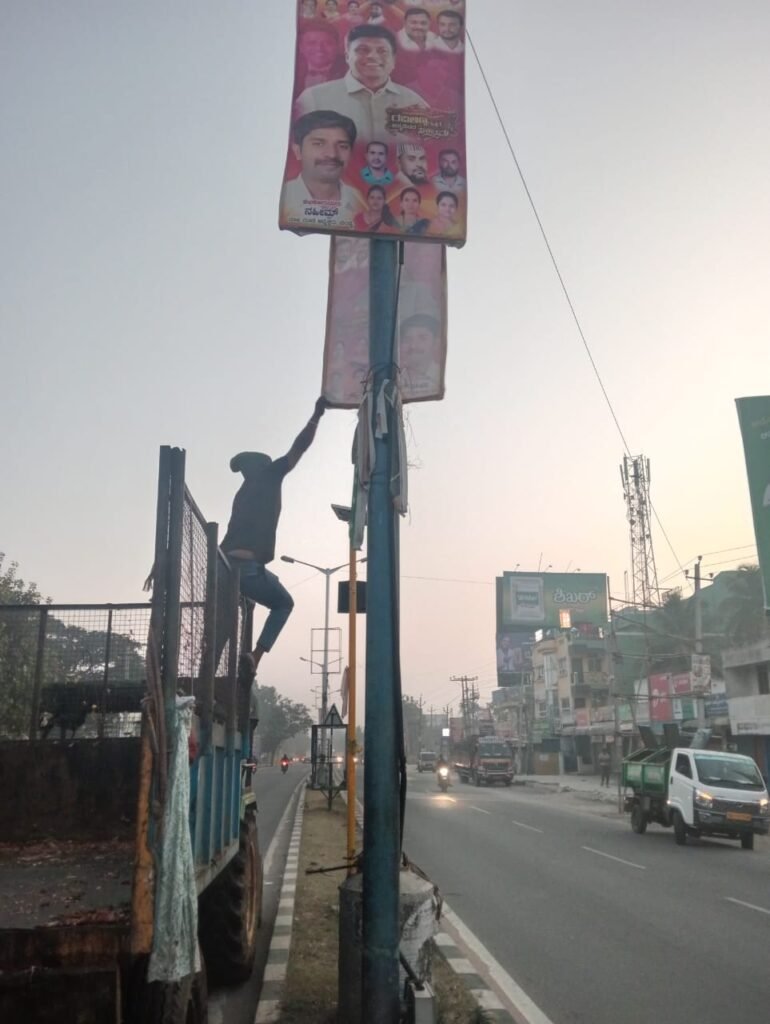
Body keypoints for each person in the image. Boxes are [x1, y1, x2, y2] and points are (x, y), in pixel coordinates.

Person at [222, 399, 328, 682]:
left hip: (223, 567)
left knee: (229, 620)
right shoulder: (269, 477)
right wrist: (316, 416)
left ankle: (214, 667)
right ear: (264, 466)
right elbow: (299, 448)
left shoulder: (242, 493)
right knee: (283, 604)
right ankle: (254, 657)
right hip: (247, 570)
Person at [294, 24, 428, 142]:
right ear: (347, 56)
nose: (372, 56)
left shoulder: (414, 102)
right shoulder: (313, 99)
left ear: (393, 59)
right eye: (363, 50)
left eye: (382, 51)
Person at [281, 110, 364, 228]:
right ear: (298, 151)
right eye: (319, 144)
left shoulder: (360, 201)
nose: (332, 154)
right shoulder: (285, 200)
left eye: (342, 146)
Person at [296, 20, 345, 91]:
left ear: (337, 46)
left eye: (327, 43)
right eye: (312, 43)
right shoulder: (292, 70)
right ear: (301, 47)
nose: (319, 48)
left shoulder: (350, 71)